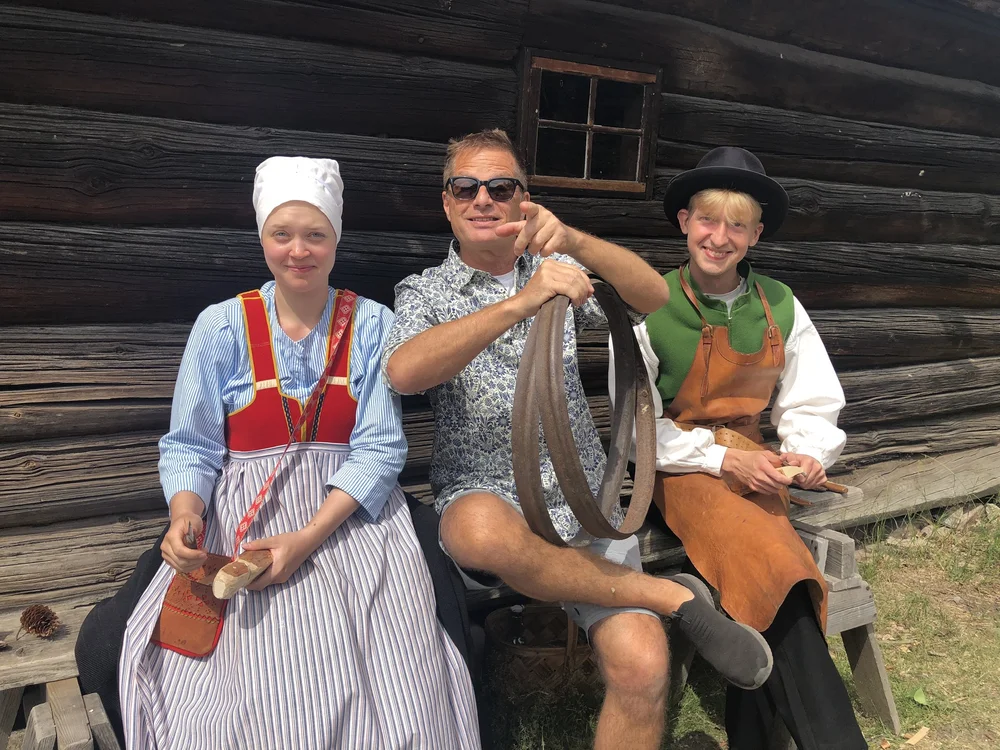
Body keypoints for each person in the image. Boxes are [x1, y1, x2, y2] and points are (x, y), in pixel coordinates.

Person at [382, 129, 774, 750]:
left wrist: (573, 241)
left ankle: (652, 604)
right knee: (473, 531)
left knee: (643, 666)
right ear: (447, 202)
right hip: (489, 495)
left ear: (523, 200)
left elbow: (653, 296)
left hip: (583, 498)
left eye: (500, 187)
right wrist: (521, 303)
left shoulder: (558, 270)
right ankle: (670, 596)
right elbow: (404, 371)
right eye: (466, 187)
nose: (483, 199)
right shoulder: (424, 291)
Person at [115, 156, 480, 749]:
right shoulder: (220, 327)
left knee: (392, 659)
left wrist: (307, 539)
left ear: (337, 239)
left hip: (348, 519)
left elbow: (380, 449)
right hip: (244, 519)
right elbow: (191, 444)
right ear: (262, 237)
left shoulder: (374, 325)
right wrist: (186, 512)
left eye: (315, 234)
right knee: (242, 683)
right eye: (281, 234)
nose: (298, 251)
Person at [609, 146, 866, 749]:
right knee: (778, 566)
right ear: (684, 222)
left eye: (736, 225)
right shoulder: (650, 305)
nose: (719, 238)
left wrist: (806, 452)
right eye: (707, 220)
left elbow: (811, 400)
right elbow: (637, 431)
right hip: (678, 468)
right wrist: (724, 459)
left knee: (772, 571)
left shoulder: (781, 303)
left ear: (755, 235)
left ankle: (752, 737)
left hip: (759, 465)